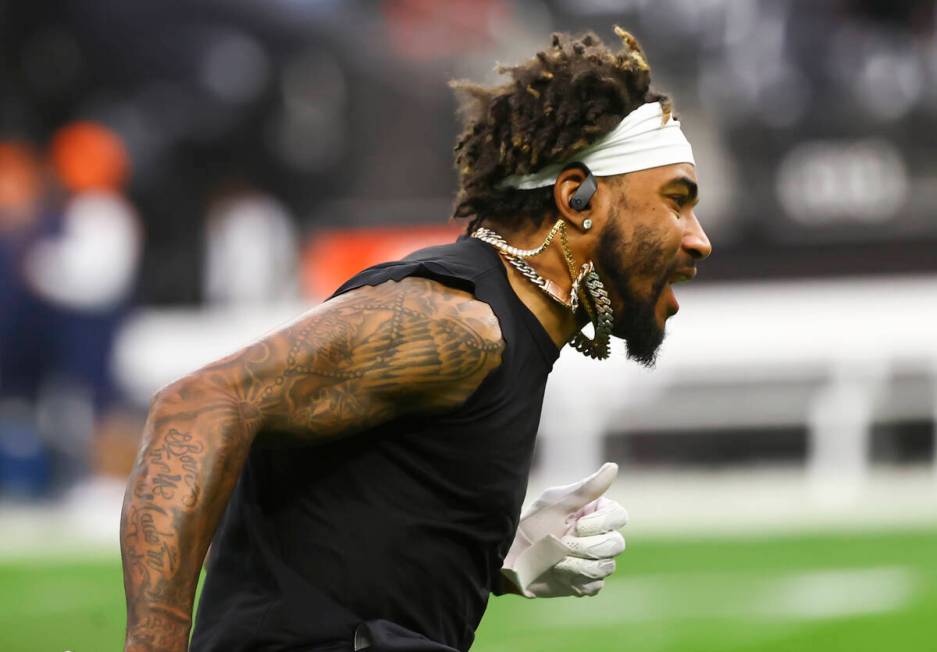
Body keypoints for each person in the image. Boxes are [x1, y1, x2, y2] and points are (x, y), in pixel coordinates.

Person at [120, 27, 711, 652]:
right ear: (576, 198)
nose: (698, 237)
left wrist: (493, 548)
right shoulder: (458, 323)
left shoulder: (508, 326)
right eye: (677, 202)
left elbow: (344, 532)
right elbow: (198, 407)